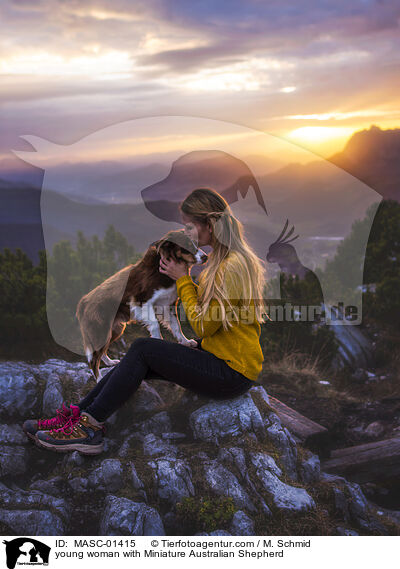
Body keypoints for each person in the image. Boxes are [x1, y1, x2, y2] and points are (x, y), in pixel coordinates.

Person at [24, 188, 266, 454]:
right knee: (135, 359)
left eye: (189, 227)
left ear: (208, 224)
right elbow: (215, 320)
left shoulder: (230, 266)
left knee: (142, 348)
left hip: (230, 373)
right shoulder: (226, 260)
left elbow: (204, 324)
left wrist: (182, 278)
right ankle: (75, 417)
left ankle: (89, 429)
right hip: (220, 359)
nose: (187, 233)